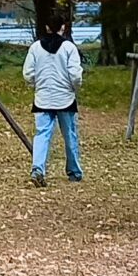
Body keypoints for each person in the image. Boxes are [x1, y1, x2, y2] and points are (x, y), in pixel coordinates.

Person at [22, 21, 83, 186]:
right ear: (62, 28)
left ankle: (37, 169)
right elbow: (76, 75)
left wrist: (36, 84)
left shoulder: (35, 48)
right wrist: (74, 88)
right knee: (70, 134)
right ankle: (74, 171)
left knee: (42, 134)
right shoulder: (69, 48)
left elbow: (28, 73)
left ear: (47, 27)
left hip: (42, 98)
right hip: (65, 98)